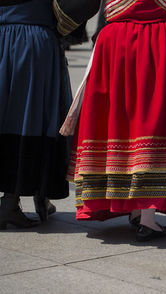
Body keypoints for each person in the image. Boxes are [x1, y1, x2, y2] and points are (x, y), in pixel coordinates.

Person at [59, 0, 166, 242]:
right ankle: (145, 217)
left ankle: (134, 208)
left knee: (121, 123)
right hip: (163, 41)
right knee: (155, 123)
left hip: (117, 41)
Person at [0, 0, 98, 229]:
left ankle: (29, 195)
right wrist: (61, 25)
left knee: (9, 116)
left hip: (5, 36)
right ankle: (14, 201)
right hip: (32, 39)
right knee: (30, 118)